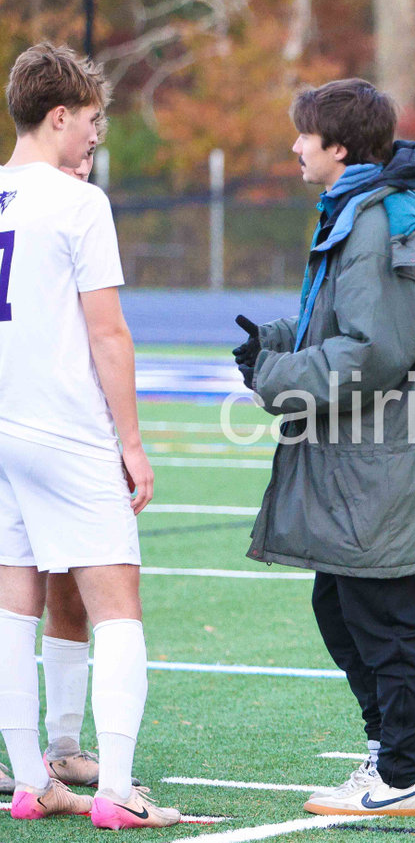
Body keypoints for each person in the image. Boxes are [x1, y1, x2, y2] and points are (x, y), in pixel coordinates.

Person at [237, 78, 415, 817]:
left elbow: (374, 353)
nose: (295, 145)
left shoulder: (375, 222)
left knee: (383, 621)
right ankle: (384, 753)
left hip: (387, 465)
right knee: (341, 607)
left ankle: (398, 773)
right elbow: (347, 325)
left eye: (304, 134)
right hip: (364, 462)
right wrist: (278, 340)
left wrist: (275, 375)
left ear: (338, 147)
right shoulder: (357, 210)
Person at [0, 43, 180, 828]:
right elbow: (108, 332)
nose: (95, 137)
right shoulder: (78, 202)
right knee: (117, 607)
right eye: (92, 122)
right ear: (59, 116)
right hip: (63, 427)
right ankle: (118, 791)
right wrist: (131, 442)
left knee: (12, 609)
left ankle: (30, 780)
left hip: (3, 426)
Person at [0, 145, 105, 800]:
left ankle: (62, 745)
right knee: (14, 591)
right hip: (26, 422)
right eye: (85, 137)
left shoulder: (77, 211)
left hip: (55, 426)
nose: (88, 158)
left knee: (67, 583)